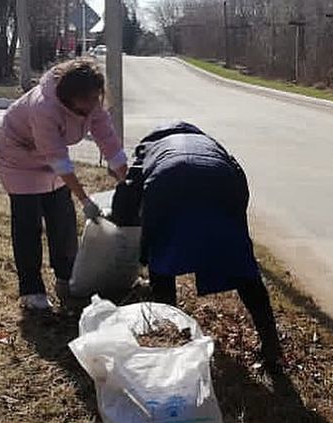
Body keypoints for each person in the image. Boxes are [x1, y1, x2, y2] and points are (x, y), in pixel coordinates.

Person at [111, 121, 282, 370]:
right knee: (241, 266)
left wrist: (122, 222)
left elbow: (128, 191)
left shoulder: (150, 147)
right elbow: (238, 177)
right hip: (220, 182)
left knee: (163, 258)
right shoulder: (209, 143)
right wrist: (234, 221)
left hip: (166, 185)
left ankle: (170, 336)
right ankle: (271, 345)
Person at [0, 58, 127, 311]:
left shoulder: (92, 102)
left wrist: (126, 182)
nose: (92, 106)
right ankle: (31, 289)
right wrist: (85, 200)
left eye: (95, 99)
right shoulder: (44, 107)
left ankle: (67, 277)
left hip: (48, 157)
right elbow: (60, 162)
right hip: (17, 155)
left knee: (62, 219)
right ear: (69, 96)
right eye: (85, 102)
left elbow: (109, 142)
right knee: (28, 221)